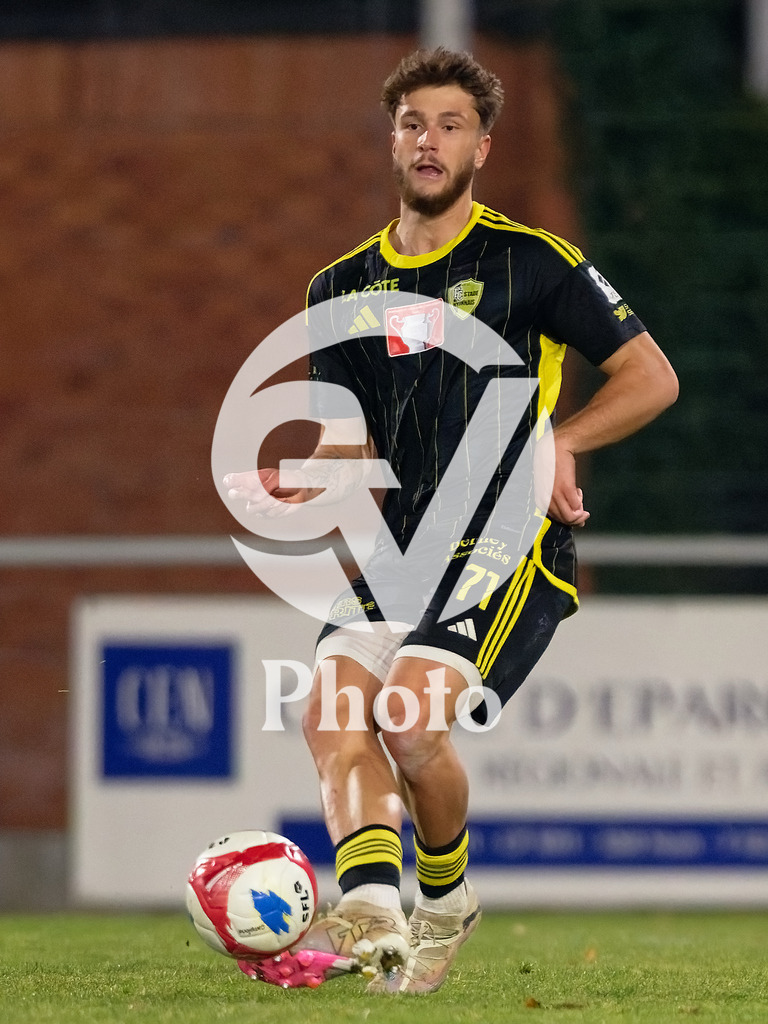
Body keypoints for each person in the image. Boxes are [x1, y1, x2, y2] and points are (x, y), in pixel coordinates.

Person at [224, 47, 678, 993]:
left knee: (408, 714)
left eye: (451, 125)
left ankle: (446, 898)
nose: (429, 140)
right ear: (391, 142)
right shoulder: (337, 290)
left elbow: (651, 376)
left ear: (483, 148)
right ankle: (376, 910)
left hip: (509, 539)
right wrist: (305, 483)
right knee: (331, 708)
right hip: (403, 549)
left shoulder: (533, 262)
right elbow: (353, 446)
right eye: (412, 123)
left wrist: (563, 438)